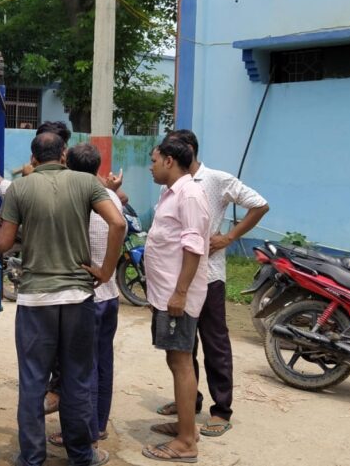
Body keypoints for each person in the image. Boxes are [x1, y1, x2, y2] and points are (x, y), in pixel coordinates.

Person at [0, 132, 126, 466]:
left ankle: (31, 456)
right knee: (77, 378)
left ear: (33, 157)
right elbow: (118, 223)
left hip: (35, 300)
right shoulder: (86, 183)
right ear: (63, 154)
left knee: (33, 381)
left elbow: (4, 245)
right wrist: (106, 270)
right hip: (77, 297)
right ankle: (82, 455)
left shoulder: (20, 189)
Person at [154, 129, 269, 437]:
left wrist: (230, 236)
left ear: (185, 151)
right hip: (180, 277)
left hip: (209, 275)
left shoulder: (214, 180)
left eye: (166, 151)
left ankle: (221, 409)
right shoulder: (172, 185)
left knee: (214, 342)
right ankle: (190, 404)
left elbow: (259, 204)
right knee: (183, 346)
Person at [46, 143, 123, 448]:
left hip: (86, 295)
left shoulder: (76, 199)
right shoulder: (112, 196)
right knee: (103, 362)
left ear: (69, 166)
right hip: (111, 294)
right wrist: (109, 271)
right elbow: (121, 226)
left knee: (81, 368)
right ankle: (99, 425)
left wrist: (101, 270)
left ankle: (83, 432)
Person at [141, 137, 211, 463]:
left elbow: (193, 246)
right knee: (175, 360)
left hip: (177, 297)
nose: (151, 166)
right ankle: (186, 426)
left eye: (154, 160)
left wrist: (180, 292)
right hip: (167, 294)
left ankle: (186, 442)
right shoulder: (172, 193)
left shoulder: (190, 194)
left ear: (169, 161)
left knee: (181, 362)